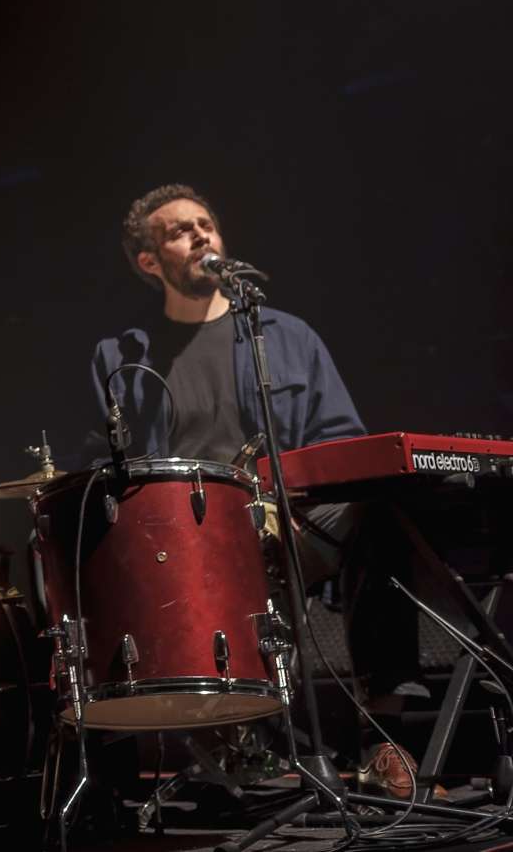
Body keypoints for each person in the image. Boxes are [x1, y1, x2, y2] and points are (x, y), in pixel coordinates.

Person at [87, 183, 425, 724]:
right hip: (188, 540)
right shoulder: (122, 355)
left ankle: (387, 730)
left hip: (294, 522)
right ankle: (217, 734)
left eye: (206, 224)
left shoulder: (287, 336)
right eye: (180, 231)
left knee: (378, 510)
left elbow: (341, 441)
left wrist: (294, 498)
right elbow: (113, 467)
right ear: (150, 262)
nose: (200, 235)